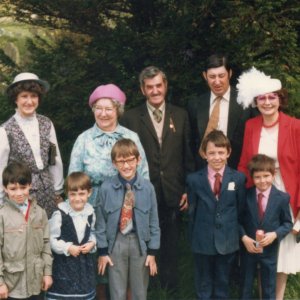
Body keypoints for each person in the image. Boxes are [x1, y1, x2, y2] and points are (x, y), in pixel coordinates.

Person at [68, 83, 149, 299]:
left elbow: (144, 177)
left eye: (109, 108)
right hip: (91, 209)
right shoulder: (83, 140)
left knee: (126, 262)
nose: (103, 114)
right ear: (93, 110)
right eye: (99, 108)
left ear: (118, 110)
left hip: (126, 210)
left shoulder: (131, 137)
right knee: (98, 264)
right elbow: (73, 180)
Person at [120, 66, 195, 293]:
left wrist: (187, 188)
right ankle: (147, 289)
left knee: (171, 243)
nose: (155, 91)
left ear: (165, 86)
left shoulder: (180, 115)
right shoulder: (131, 118)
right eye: (149, 87)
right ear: (143, 89)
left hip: (173, 191)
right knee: (143, 242)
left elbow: (188, 155)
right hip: (142, 192)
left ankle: (170, 290)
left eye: (158, 86)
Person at [237, 67, 300, 300]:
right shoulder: (251, 126)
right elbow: (244, 163)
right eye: (262, 98)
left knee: (281, 257)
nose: (267, 102)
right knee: (260, 252)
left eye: (272, 96)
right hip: (258, 196)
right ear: (256, 102)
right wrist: (239, 199)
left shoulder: (295, 126)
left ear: (280, 99)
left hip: (287, 196)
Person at [96, 138, 160, 300]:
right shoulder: (106, 188)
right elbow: (101, 223)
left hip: (140, 245)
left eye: (130, 160)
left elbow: (154, 222)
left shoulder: (147, 188)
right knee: (117, 291)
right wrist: (103, 251)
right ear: (114, 163)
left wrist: (152, 251)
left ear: (138, 160)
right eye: (121, 161)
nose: (126, 166)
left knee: (139, 292)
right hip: (116, 243)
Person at [186, 130, 246, 300]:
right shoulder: (194, 180)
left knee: (222, 283)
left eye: (221, 152)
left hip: (227, 241)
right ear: (204, 154)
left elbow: (240, 210)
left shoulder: (238, 179)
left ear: (228, 153)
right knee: (203, 285)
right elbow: (192, 212)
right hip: (202, 241)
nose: (217, 157)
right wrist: (195, 239)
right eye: (211, 153)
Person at [0, 72, 64, 218]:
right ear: (15, 99)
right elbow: (1, 169)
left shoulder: (46, 123)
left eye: (33, 96)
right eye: (24, 96)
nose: (29, 101)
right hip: (21, 196)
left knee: (50, 235)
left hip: (48, 194)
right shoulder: (5, 130)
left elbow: (54, 159)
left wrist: (58, 191)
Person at [188, 54, 257, 169]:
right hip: (204, 175)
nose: (217, 81)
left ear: (229, 74)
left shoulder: (246, 102)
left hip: (238, 172)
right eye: (212, 76)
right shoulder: (195, 105)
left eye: (221, 76)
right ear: (205, 76)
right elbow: (191, 143)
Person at [240, 154, 292, 300]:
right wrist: (244, 238)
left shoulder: (282, 197)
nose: (262, 181)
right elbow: (238, 221)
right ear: (252, 177)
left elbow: (287, 223)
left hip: (269, 251)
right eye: (257, 177)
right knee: (245, 286)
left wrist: (275, 234)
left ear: (273, 174)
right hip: (248, 250)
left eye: (266, 176)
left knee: (269, 288)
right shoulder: (245, 195)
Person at [0, 162, 53, 299]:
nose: (19, 193)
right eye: (13, 189)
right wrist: (0, 284)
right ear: (5, 188)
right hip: (12, 286)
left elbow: (46, 244)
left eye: (23, 188)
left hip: (36, 283)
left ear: (30, 185)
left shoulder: (40, 213)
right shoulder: (2, 215)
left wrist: (47, 273)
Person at [46, 172, 96, 300]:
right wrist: (67, 248)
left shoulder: (90, 213)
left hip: (83, 268)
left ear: (89, 193)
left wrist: (92, 243)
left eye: (81, 194)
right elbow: (50, 240)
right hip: (63, 267)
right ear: (67, 193)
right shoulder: (60, 214)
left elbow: (92, 233)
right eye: (73, 194)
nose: (77, 198)